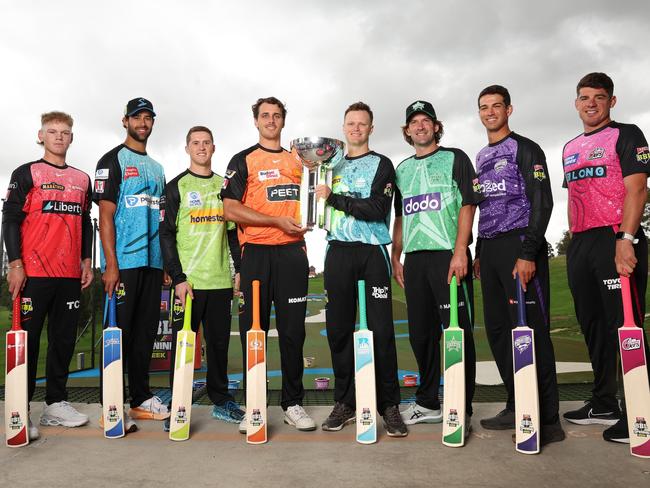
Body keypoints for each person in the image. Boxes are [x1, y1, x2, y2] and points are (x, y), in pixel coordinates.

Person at [472, 85, 564, 445]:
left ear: (509, 109)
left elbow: (543, 202)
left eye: (497, 106)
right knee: (498, 331)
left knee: (533, 332)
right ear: (479, 113)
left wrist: (528, 252)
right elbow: (484, 208)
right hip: (491, 249)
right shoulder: (480, 156)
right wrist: (479, 251)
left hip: (520, 246)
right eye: (484, 107)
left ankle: (549, 416)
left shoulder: (526, 149)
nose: (490, 112)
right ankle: (518, 405)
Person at [562, 73, 650, 444]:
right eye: (584, 98)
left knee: (624, 326)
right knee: (593, 326)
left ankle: (639, 413)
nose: (591, 103)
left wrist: (625, 238)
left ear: (612, 101)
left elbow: (638, 189)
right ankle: (603, 403)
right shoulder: (568, 147)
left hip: (616, 237)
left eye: (599, 97)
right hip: (580, 244)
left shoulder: (628, 134)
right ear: (576, 103)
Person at [221, 96, 315, 432]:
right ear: (256, 121)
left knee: (293, 333)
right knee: (252, 332)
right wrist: (274, 222)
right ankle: (254, 404)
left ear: (283, 121)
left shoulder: (300, 160)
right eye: (265, 116)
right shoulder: (243, 159)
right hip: (257, 255)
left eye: (276, 116)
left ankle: (293, 403)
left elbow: (315, 196)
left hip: (292, 253)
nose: (271, 120)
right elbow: (230, 210)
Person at [314, 102, 406, 436]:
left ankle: (389, 405)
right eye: (350, 124)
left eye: (361, 124)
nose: (355, 129)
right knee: (338, 331)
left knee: (381, 331)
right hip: (338, 252)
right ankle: (346, 403)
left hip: (371, 253)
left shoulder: (382, 164)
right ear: (343, 128)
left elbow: (378, 208)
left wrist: (335, 199)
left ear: (371, 128)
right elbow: (314, 202)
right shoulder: (328, 165)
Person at [391, 101, 482, 436]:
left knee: (456, 334)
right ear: (407, 130)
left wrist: (461, 250)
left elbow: (469, 204)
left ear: (436, 126)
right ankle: (428, 402)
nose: (420, 126)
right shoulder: (401, 169)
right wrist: (395, 254)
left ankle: (463, 405)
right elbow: (401, 215)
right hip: (415, 260)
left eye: (426, 121)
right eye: (413, 122)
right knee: (421, 335)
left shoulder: (455, 158)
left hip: (448, 256)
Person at [2, 111, 93, 439]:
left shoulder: (82, 179)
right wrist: (15, 264)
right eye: (52, 131)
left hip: (68, 276)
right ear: (41, 136)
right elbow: (10, 219)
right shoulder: (26, 173)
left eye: (65, 132)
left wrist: (86, 260)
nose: (58, 136)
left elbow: (85, 223)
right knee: (27, 342)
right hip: (32, 275)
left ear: (71, 138)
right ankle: (20, 409)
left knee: (63, 341)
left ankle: (56, 403)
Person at [159, 126, 244, 430]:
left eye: (206, 142)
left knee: (220, 347)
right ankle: (178, 403)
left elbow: (234, 234)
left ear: (214, 147)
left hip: (220, 281)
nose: (201, 147)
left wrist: (239, 271)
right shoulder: (176, 186)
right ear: (187, 148)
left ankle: (221, 401)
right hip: (188, 286)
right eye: (195, 143)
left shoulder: (226, 186)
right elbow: (166, 234)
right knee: (183, 346)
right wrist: (178, 277)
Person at [93, 97, 168, 432]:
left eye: (148, 117)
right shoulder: (112, 160)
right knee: (117, 336)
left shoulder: (158, 168)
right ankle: (110, 404)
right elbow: (105, 215)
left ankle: (139, 400)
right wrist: (111, 264)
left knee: (144, 336)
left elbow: (162, 218)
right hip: (124, 263)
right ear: (125, 121)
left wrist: (165, 263)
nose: (143, 122)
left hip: (153, 265)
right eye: (137, 117)